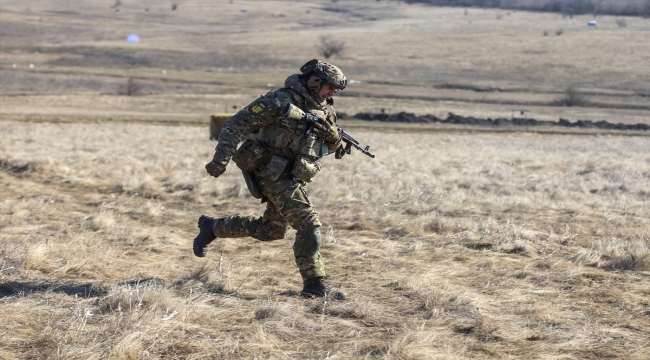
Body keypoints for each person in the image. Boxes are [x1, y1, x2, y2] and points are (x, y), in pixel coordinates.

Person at [193, 59, 348, 300]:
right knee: (309, 225)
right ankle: (315, 286)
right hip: (269, 172)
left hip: (294, 176)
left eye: (335, 90)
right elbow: (236, 124)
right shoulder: (279, 100)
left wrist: (333, 134)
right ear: (315, 81)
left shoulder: (325, 108)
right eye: (330, 87)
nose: (332, 93)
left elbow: (332, 147)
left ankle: (213, 227)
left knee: (271, 231)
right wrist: (220, 159)